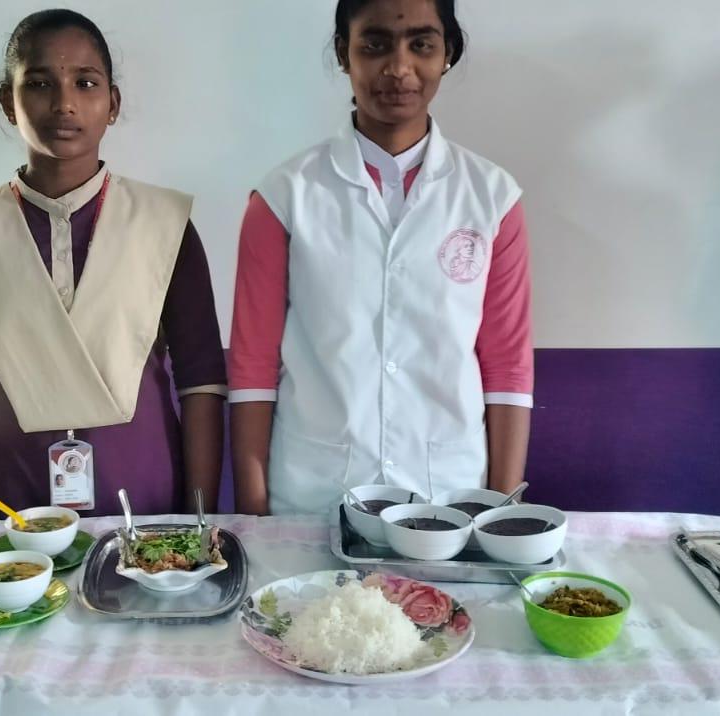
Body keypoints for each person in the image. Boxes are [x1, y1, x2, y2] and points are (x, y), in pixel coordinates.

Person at [0, 9, 226, 518]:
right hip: (7, 509)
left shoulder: (165, 224)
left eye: (85, 83)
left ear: (112, 103)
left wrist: (199, 522)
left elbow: (201, 385)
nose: (64, 103)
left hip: (145, 503)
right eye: (40, 83)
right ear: (9, 103)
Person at [229, 0, 534, 515]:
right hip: (314, 493)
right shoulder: (284, 197)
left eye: (422, 45)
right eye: (374, 45)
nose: (398, 68)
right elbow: (253, 365)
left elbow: (506, 364)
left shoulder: (492, 198)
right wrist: (254, 517)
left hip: (449, 495)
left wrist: (501, 510)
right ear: (343, 53)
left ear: (447, 53)